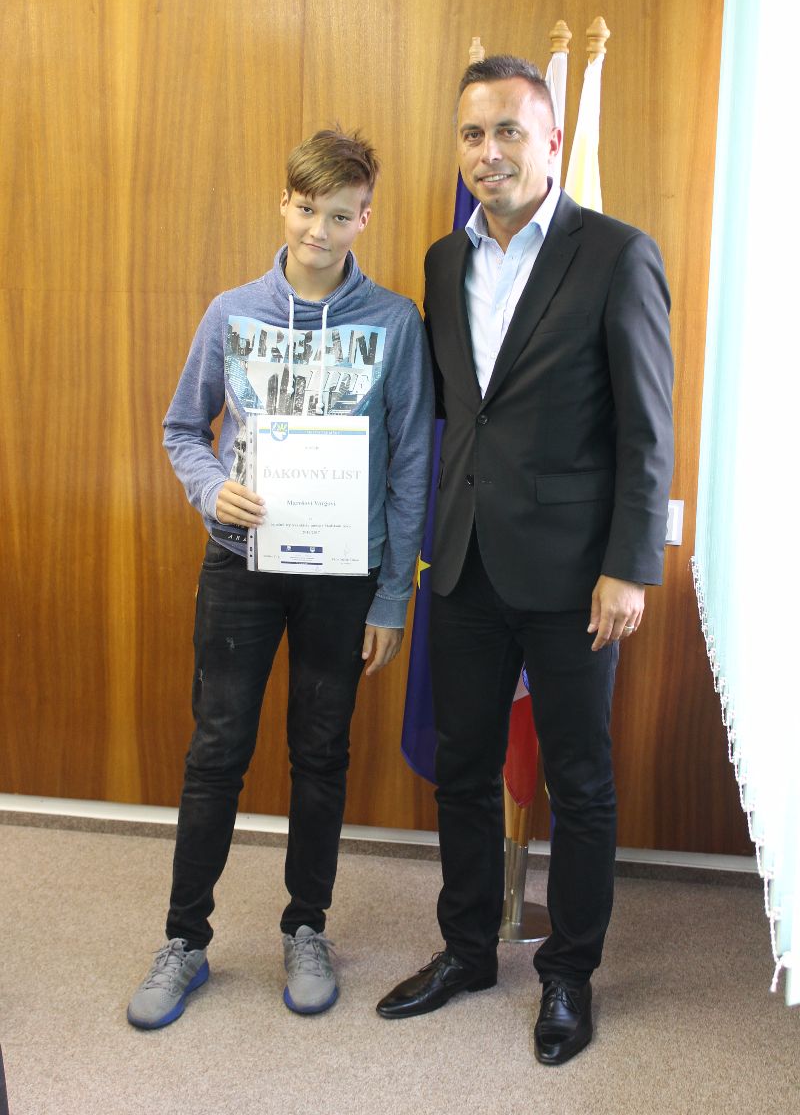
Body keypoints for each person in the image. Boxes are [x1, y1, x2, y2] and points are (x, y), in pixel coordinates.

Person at [376, 56, 673, 1065]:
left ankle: (567, 975)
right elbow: (448, 407)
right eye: (472, 134)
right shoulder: (440, 261)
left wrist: (629, 565)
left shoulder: (616, 253)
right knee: (462, 768)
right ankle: (467, 951)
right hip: (462, 561)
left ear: (550, 141)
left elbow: (646, 427)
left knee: (578, 782)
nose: (488, 151)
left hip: (575, 575)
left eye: (508, 130)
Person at [127, 128, 433, 1029]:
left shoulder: (395, 323)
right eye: (305, 209)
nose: (317, 230)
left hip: (344, 576)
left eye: (339, 215)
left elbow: (412, 466)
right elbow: (183, 429)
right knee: (217, 750)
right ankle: (185, 938)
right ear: (284, 204)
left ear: (364, 218)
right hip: (242, 567)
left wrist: (393, 597)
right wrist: (210, 488)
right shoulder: (233, 312)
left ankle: (307, 927)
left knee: (321, 752)